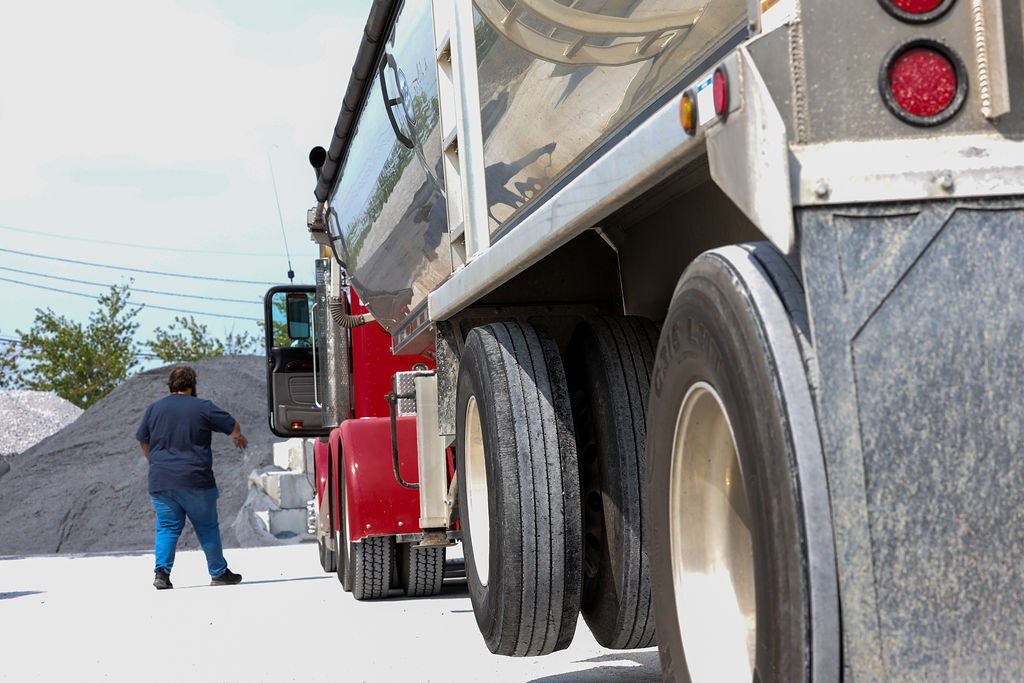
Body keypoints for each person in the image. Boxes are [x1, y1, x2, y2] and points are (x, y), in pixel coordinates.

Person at [136, 365, 248, 590]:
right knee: (206, 527)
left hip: (161, 480)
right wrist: (238, 437)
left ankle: (162, 574)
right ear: (193, 385)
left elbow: (143, 440)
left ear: (170, 385)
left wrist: (156, 462)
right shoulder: (202, 407)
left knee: (167, 527)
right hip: (195, 479)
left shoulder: (154, 409)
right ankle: (218, 573)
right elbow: (232, 426)